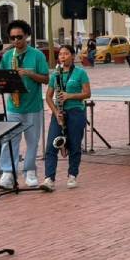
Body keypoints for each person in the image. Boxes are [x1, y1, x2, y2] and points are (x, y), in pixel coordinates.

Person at [0, 20, 50, 190]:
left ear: (27, 36)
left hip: (33, 105)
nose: (16, 41)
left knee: (32, 141)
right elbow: (0, 78)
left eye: (19, 37)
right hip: (13, 105)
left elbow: (46, 79)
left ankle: (30, 171)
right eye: (12, 38)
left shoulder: (37, 55)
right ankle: (8, 173)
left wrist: (29, 73)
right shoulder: (7, 56)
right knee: (9, 139)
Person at [42, 44, 91, 191]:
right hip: (59, 113)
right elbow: (48, 97)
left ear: (72, 56)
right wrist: (56, 112)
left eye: (66, 54)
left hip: (76, 111)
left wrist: (70, 96)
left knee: (75, 145)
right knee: (52, 145)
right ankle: (49, 178)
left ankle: (72, 175)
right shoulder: (56, 74)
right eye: (61, 54)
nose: (62, 56)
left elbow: (87, 93)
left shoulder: (80, 73)